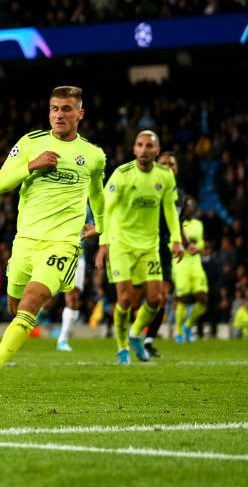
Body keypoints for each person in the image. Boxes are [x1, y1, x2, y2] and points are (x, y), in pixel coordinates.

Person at [0, 85, 106, 384]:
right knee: (15, 304)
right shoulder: (30, 142)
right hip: (25, 240)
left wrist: (101, 224)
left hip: (62, 243)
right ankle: (21, 332)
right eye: (54, 109)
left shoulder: (93, 155)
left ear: (80, 114)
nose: (59, 115)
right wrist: (32, 165)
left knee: (32, 299)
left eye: (66, 109)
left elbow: (97, 193)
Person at [96, 131, 183, 364]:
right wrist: (103, 244)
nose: (144, 150)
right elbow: (106, 209)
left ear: (156, 150)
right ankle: (122, 348)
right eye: (140, 145)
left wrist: (177, 239)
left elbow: (170, 210)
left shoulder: (165, 176)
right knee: (125, 301)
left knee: (156, 300)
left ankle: (135, 335)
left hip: (150, 246)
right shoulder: (122, 175)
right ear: (134, 149)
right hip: (120, 244)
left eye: (149, 146)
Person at [143, 151, 187, 357]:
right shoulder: (149, 188)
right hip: (144, 245)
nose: (167, 167)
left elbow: (177, 222)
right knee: (134, 299)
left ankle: (148, 340)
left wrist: (184, 243)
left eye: (171, 164)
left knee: (163, 296)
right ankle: (130, 335)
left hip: (165, 248)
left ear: (176, 169)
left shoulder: (182, 196)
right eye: (163, 164)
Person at [55, 207, 97, 352]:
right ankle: (38, 313)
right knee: (48, 296)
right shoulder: (57, 198)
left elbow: (90, 227)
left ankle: (63, 339)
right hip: (56, 252)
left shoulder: (84, 205)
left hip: (78, 256)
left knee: (72, 297)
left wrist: (92, 232)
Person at [173, 197, 209, 343]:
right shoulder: (175, 224)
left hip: (195, 265)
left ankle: (188, 326)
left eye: (191, 206)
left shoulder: (199, 224)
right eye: (187, 206)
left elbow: (201, 244)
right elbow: (171, 245)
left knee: (202, 299)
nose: (189, 208)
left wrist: (197, 246)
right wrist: (183, 243)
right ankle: (179, 332)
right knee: (184, 299)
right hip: (180, 264)